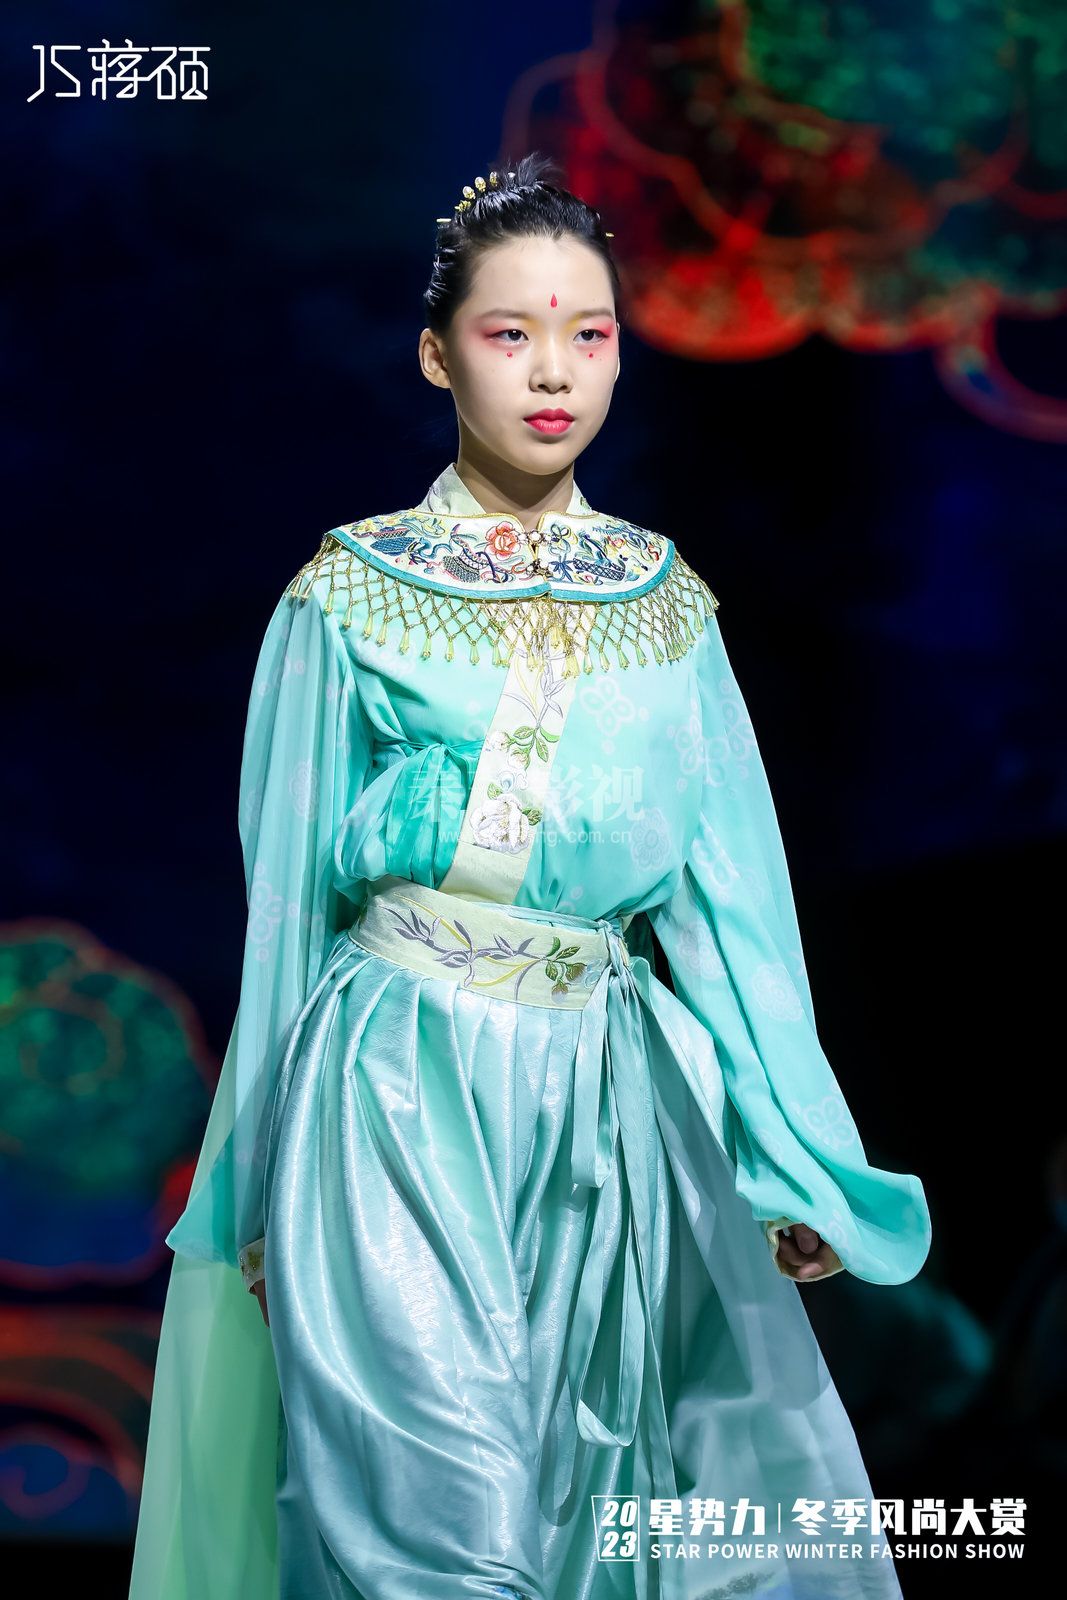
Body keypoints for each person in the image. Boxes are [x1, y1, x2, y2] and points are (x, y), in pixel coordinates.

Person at [128, 152, 932, 1600]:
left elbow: (735, 910)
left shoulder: (668, 606)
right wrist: (253, 1188)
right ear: (439, 356)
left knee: (593, 1515)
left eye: (589, 333)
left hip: (609, 1103)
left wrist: (790, 1155)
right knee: (434, 1530)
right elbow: (284, 906)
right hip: (393, 1080)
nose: (553, 370)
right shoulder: (350, 592)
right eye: (510, 333)